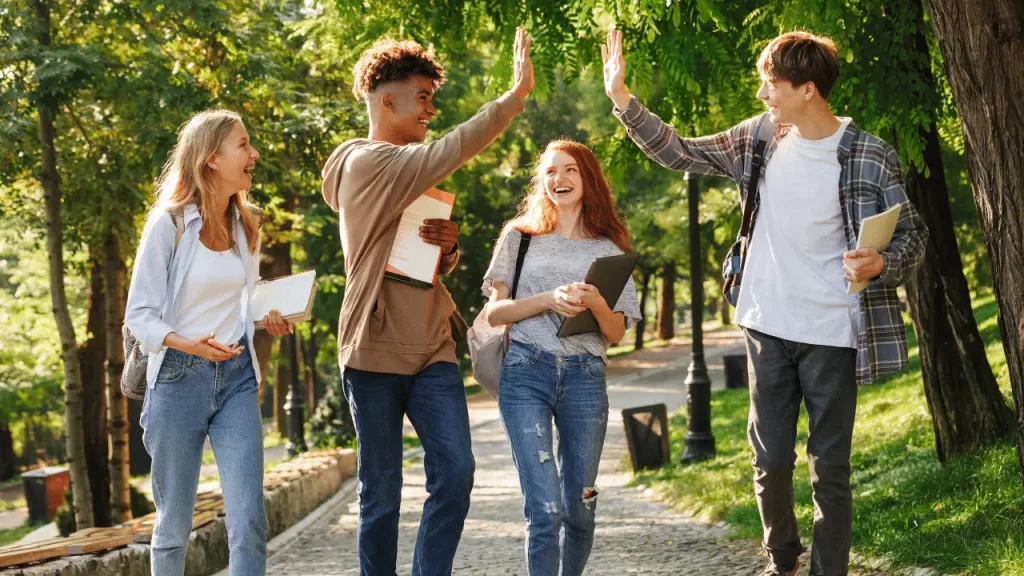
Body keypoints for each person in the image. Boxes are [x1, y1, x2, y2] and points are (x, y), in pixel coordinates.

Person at [602, 29, 928, 576]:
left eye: (771, 84)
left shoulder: (871, 155)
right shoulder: (761, 138)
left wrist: (881, 264)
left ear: (807, 89)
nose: (763, 96)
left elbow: (912, 237)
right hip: (766, 324)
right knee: (771, 460)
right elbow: (681, 151)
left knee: (830, 469)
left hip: (833, 332)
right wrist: (623, 101)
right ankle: (782, 558)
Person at [319, 28, 534, 576]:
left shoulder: (408, 171)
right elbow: (452, 148)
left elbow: (419, 260)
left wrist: (449, 247)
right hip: (373, 349)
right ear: (386, 102)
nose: (431, 111)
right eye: (422, 98)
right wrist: (511, 101)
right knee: (382, 494)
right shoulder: (368, 164)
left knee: (456, 473)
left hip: (432, 344)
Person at [125, 109, 292, 576]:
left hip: (237, 379)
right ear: (212, 157)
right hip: (178, 380)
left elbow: (243, 302)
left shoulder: (246, 226)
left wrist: (269, 316)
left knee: (249, 519)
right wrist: (188, 344)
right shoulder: (169, 225)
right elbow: (139, 316)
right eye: (244, 144)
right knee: (174, 525)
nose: (253, 153)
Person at [482, 139, 641, 576]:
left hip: (585, 378)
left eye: (570, 170)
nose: (559, 179)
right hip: (525, 371)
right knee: (545, 508)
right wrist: (548, 299)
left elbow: (616, 331)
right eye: (550, 171)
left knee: (580, 507)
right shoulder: (520, 237)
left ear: (587, 179)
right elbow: (495, 313)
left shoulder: (609, 247)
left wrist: (595, 303)